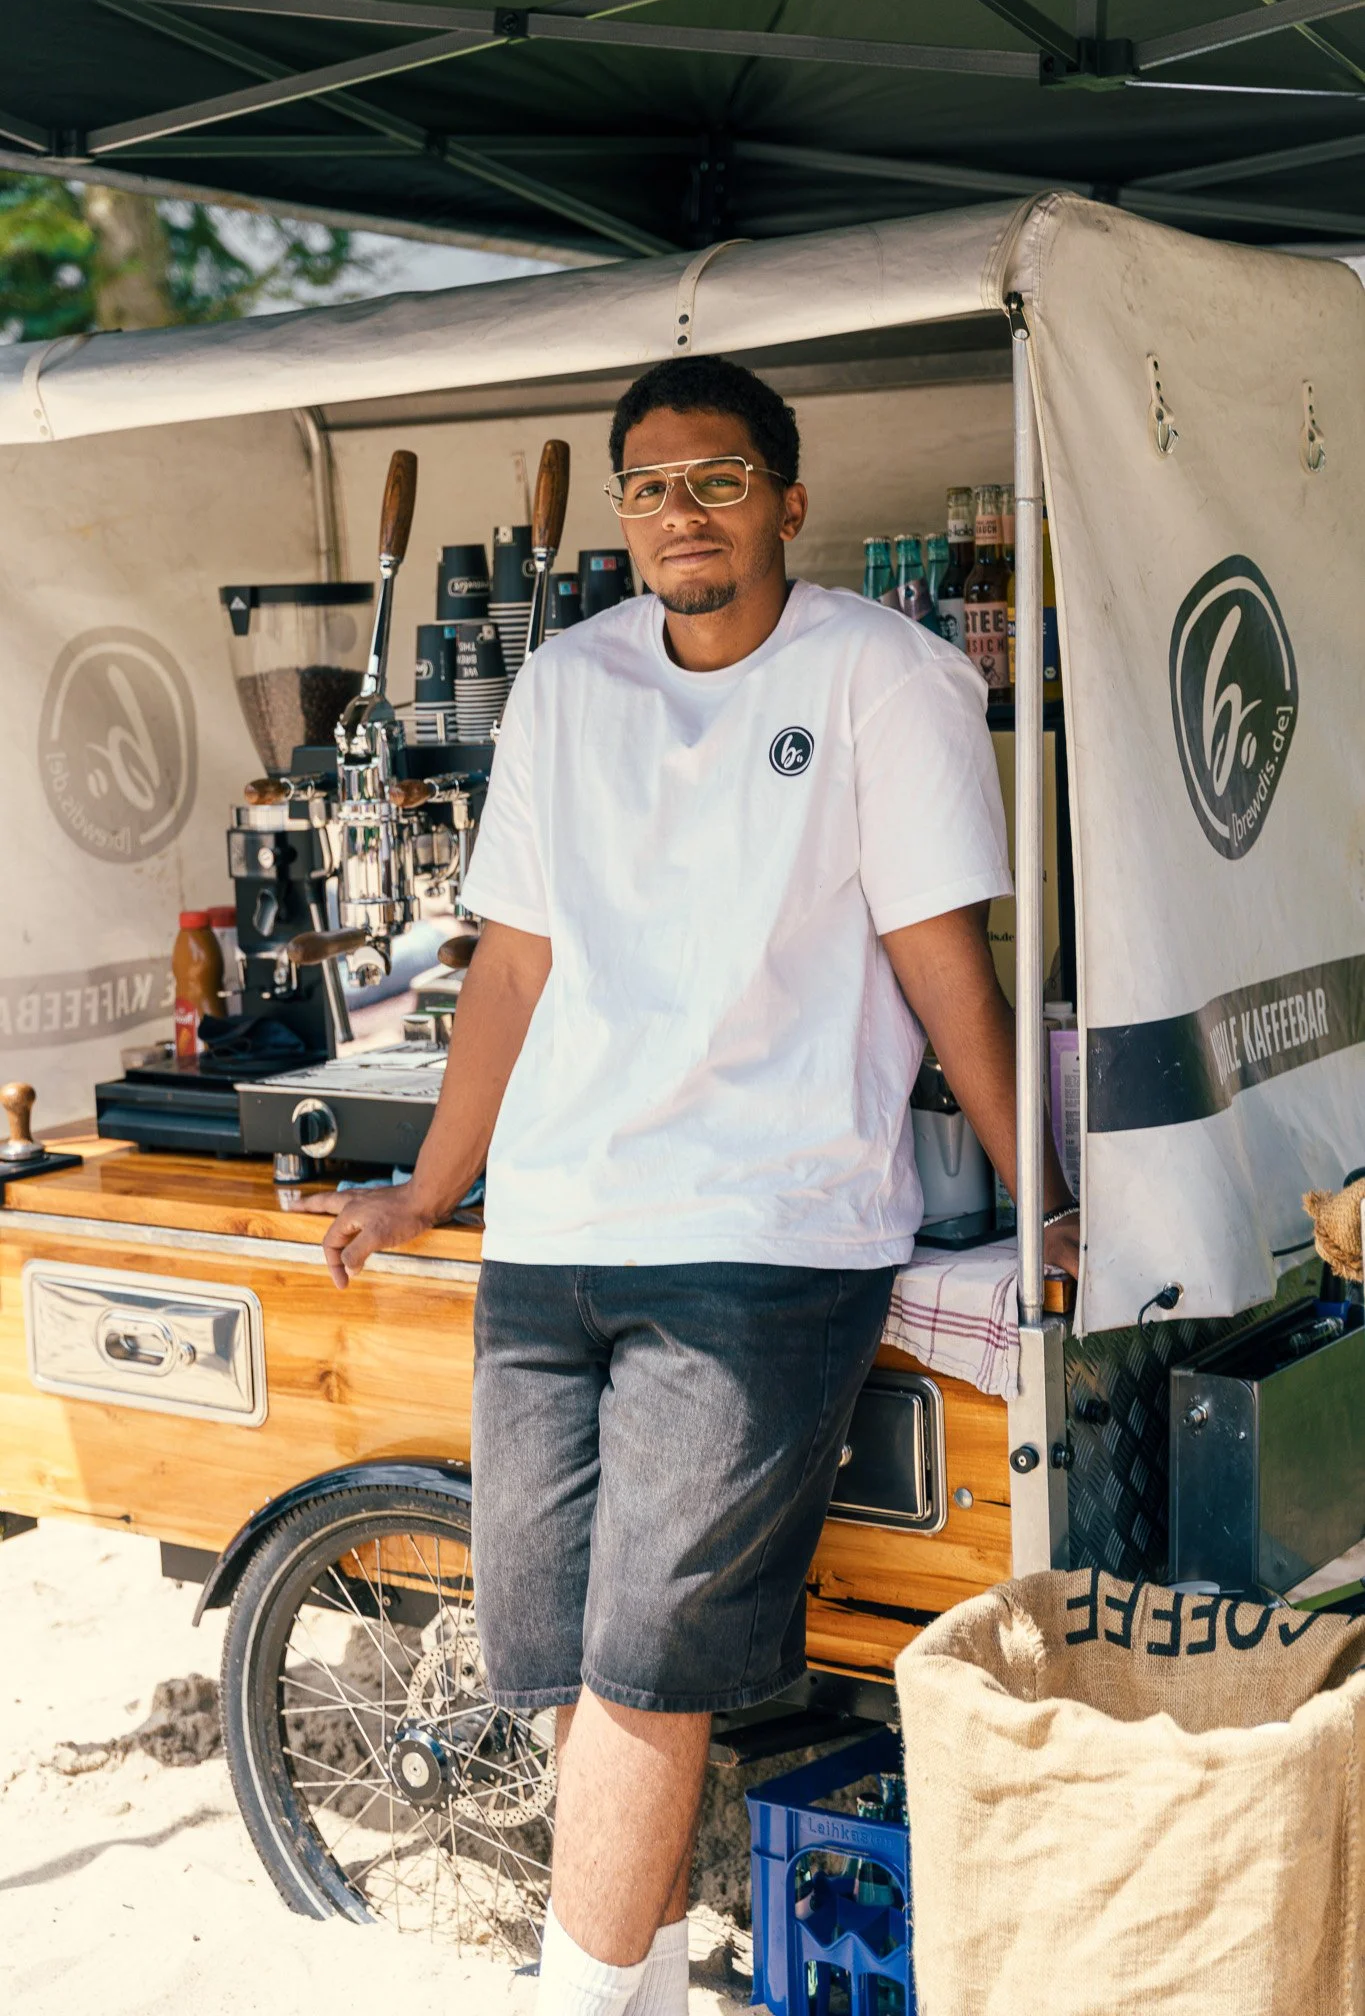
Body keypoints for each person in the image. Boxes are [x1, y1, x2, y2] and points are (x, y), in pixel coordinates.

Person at [305, 356, 1080, 2016]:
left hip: (764, 1232)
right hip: (555, 1231)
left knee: (649, 1665)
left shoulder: (888, 676)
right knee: (558, 1659)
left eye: (718, 479)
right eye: (650, 487)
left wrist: (1044, 1202)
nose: (683, 513)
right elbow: (513, 965)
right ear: (623, 516)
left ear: (789, 501)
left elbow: (942, 957)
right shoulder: (564, 684)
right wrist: (432, 1187)